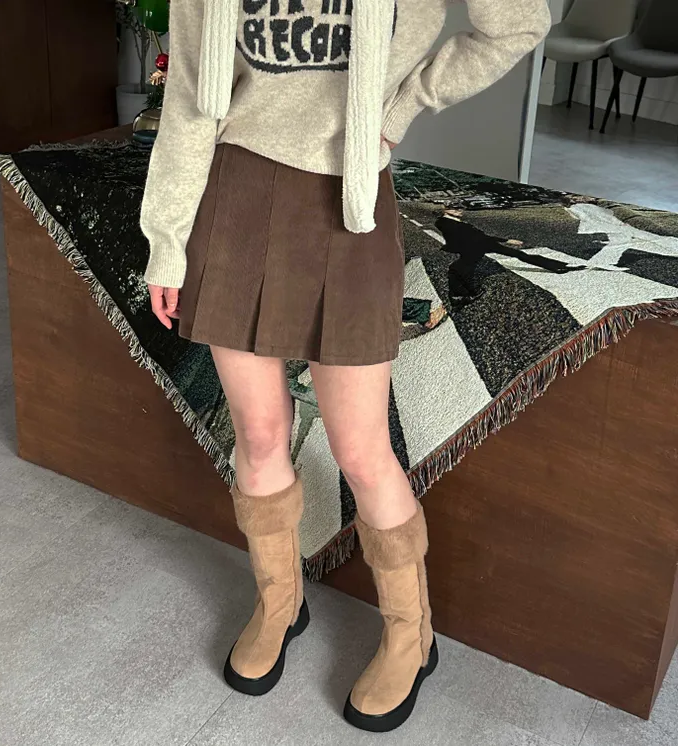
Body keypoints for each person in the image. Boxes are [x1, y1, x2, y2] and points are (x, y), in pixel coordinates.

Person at [141, 0, 551, 733]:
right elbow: (192, 98)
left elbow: (517, 23)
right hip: (233, 195)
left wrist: (403, 107)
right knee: (259, 433)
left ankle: (410, 634)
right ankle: (279, 601)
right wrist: (166, 241)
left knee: (362, 451)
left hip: (350, 198)